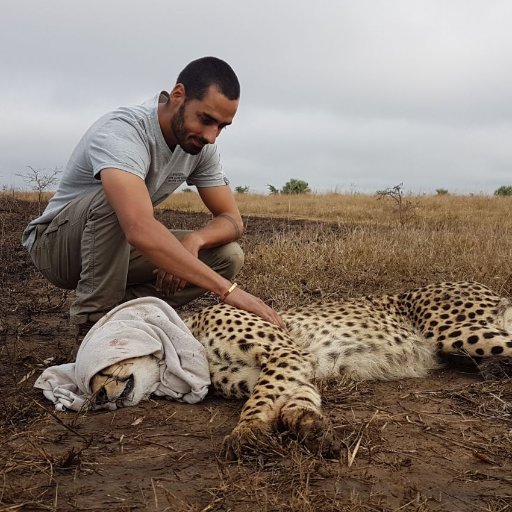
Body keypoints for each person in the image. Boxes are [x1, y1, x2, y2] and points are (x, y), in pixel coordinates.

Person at [22, 56, 284, 335]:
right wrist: (228, 291)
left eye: (221, 126)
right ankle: (93, 327)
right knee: (116, 202)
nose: (212, 136)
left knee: (227, 256)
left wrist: (194, 241)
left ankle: (124, 317)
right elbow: (138, 227)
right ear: (178, 95)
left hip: (115, 245)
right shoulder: (124, 131)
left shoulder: (200, 147)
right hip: (57, 247)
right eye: (206, 119)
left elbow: (232, 220)